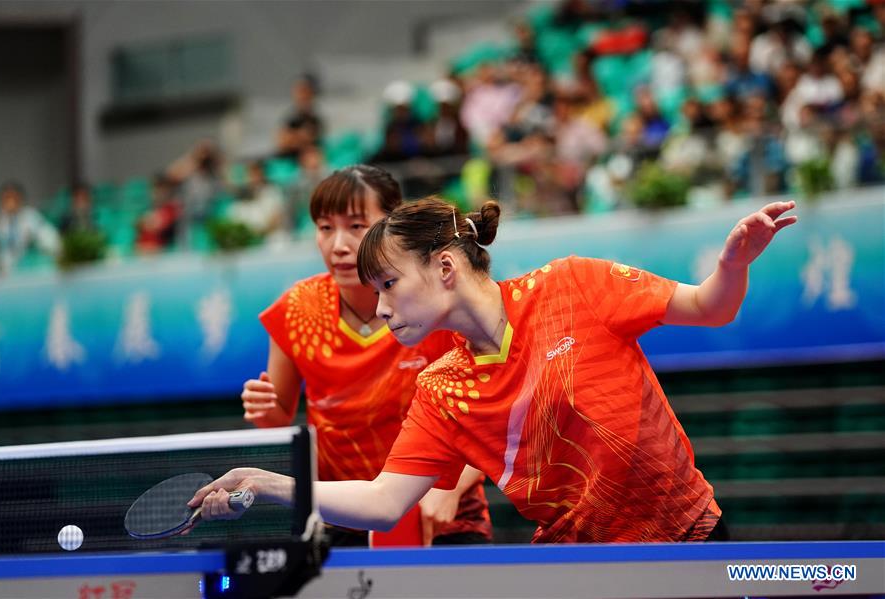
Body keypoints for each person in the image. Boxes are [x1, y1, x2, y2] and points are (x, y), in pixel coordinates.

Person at [191, 196, 797, 543]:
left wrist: (733, 265)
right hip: (581, 570)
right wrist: (268, 481)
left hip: (686, 535)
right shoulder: (442, 389)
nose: (378, 306)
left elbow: (710, 308)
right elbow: (382, 503)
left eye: (390, 284)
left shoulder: (574, 285)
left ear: (446, 268)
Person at [239, 166, 491, 546]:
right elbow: (280, 418)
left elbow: (490, 415)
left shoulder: (435, 302)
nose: (338, 245)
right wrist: (266, 412)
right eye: (325, 228)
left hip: (441, 513)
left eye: (356, 226)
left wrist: (452, 490)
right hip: (344, 517)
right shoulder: (297, 309)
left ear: (391, 224)